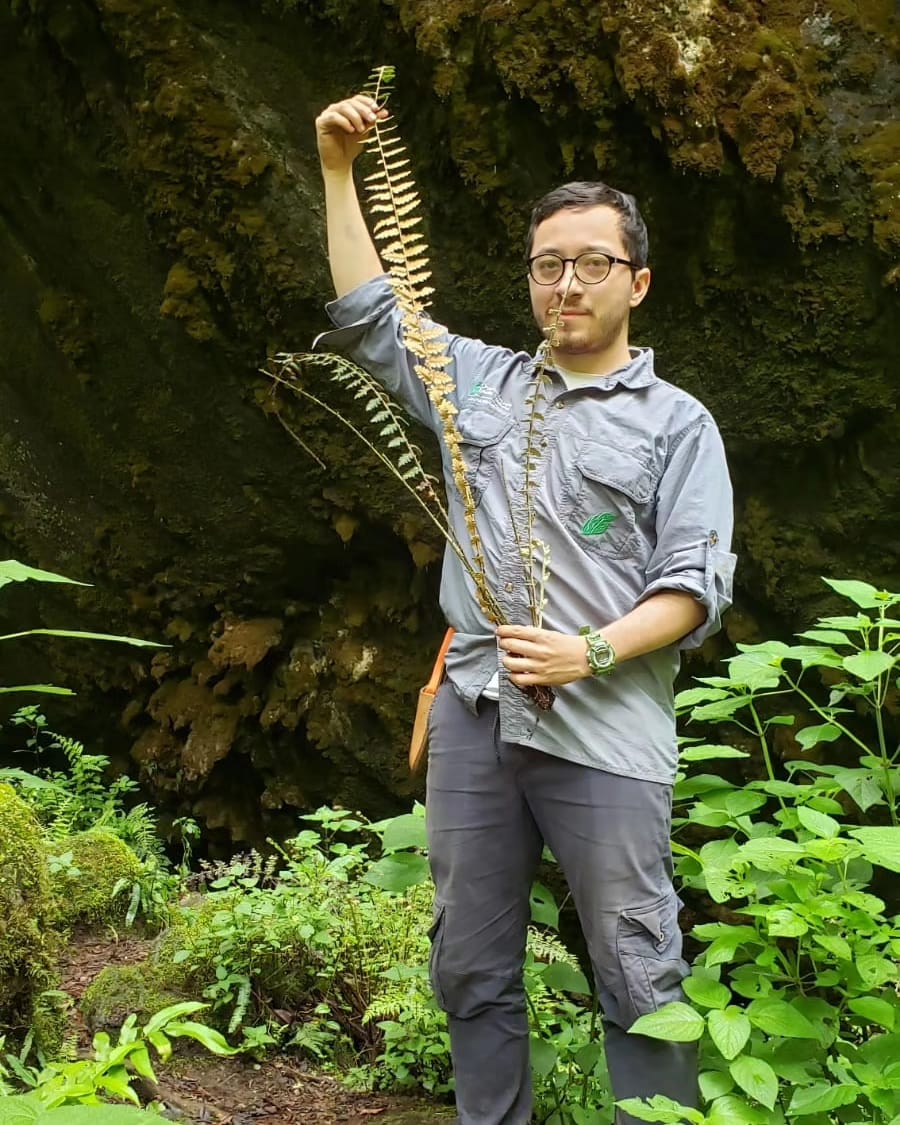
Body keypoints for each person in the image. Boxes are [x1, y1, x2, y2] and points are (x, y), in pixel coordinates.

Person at [314, 92, 736, 1125]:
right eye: (550, 264)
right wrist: (335, 170)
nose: (568, 283)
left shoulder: (679, 426)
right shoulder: (479, 387)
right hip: (471, 714)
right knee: (470, 961)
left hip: (607, 734)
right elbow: (375, 314)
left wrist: (589, 649)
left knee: (638, 969)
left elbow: (696, 586)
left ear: (636, 280)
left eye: (593, 262)